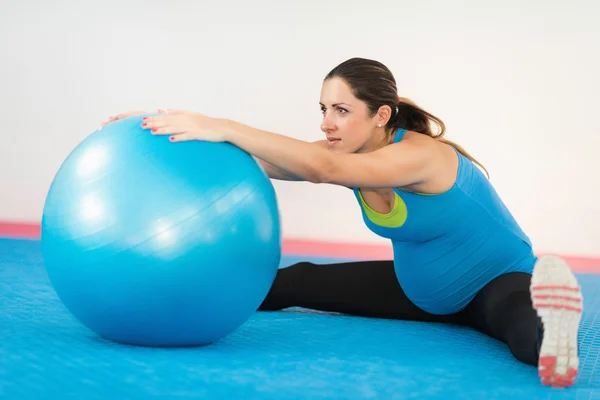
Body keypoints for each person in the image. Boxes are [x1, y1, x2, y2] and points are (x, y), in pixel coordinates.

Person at [104, 57, 583, 388]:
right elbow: (269, 162)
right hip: (419, 292)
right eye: (323, 109)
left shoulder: (419, 156)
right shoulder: (349, 150)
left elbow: (320, 169)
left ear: (381, 116)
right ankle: (172, 298)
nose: (326, 123)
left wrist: (223, 123)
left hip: (494, 283)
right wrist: (172, 132)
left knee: (519, 321)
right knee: (297, 281)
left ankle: (554, 340)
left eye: (340, 110)